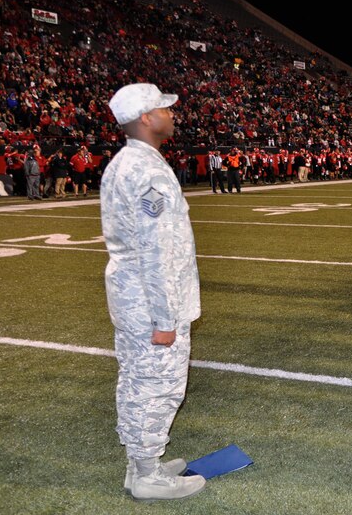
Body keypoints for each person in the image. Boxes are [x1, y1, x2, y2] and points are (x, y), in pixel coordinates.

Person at [103, 83, 206, 501]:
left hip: (132, 297)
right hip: (151, 302)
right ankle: (147, 475)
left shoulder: (125, 162)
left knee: (137, 380)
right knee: (157, 385)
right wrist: (166, 319)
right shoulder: (146, 170)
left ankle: (140, 464)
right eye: (163, 109)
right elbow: (158, 249)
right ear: (146, 118)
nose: (171, 113)